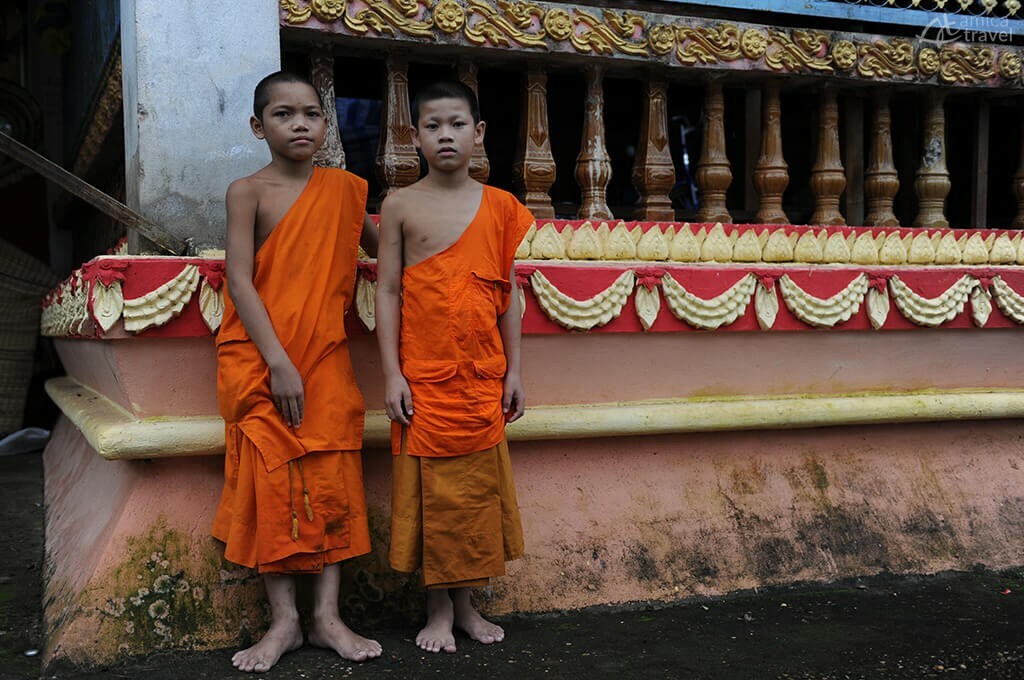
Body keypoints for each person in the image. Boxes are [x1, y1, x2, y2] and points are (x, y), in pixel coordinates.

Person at [212, 70, 382, 672]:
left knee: (332, 475)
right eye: (284, 115)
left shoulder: (344, 190)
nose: (301, 124)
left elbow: (384, 250)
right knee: (272, 481)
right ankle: (283, 622)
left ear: (326, 124)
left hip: (327, 358)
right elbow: (238, 278)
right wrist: (279, 362)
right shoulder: (247, 192)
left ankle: (328, 618)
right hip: (263, 358)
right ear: (259, 127)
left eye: (311, 113)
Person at [375, 80, 533, 654]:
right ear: (414, 137)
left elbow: (507, 294)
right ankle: (437, 609)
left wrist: (515, 371)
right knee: (434, 496)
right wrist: (391, 374)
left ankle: (467, 607)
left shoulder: (501, 207)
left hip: (483, 376)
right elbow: (387, 293)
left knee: (474, 495)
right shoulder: (400, 205)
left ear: (479, 133)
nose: (446, 135)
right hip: (426, 377)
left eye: (457, 124)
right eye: (433, 126)